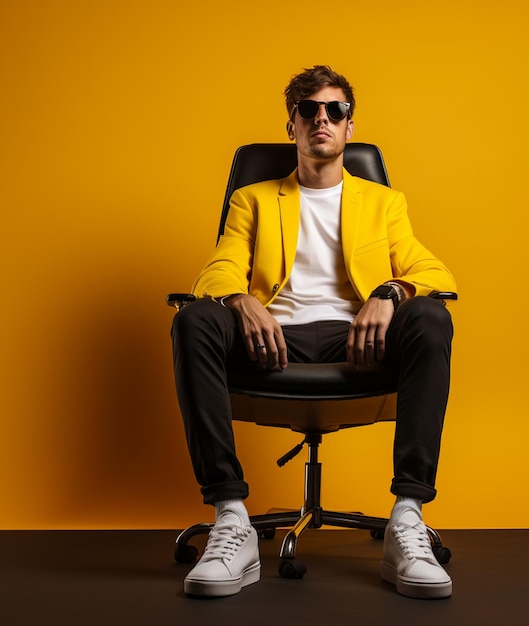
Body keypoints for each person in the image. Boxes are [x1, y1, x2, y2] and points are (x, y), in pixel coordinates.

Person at [171, 65, 457, 600]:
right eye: (309, 110)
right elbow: (219, 267)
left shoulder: (383, 202)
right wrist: (239, 300)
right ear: (292, 126)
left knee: (432, 315)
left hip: (358, 340)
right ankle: (230, 517)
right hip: (274, 338)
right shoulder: (253, 199)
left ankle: (408, 516)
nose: (322, 119)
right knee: (192, 318)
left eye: (335, 110)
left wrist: (389, 293)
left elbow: (435, 272)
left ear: (350, 126)